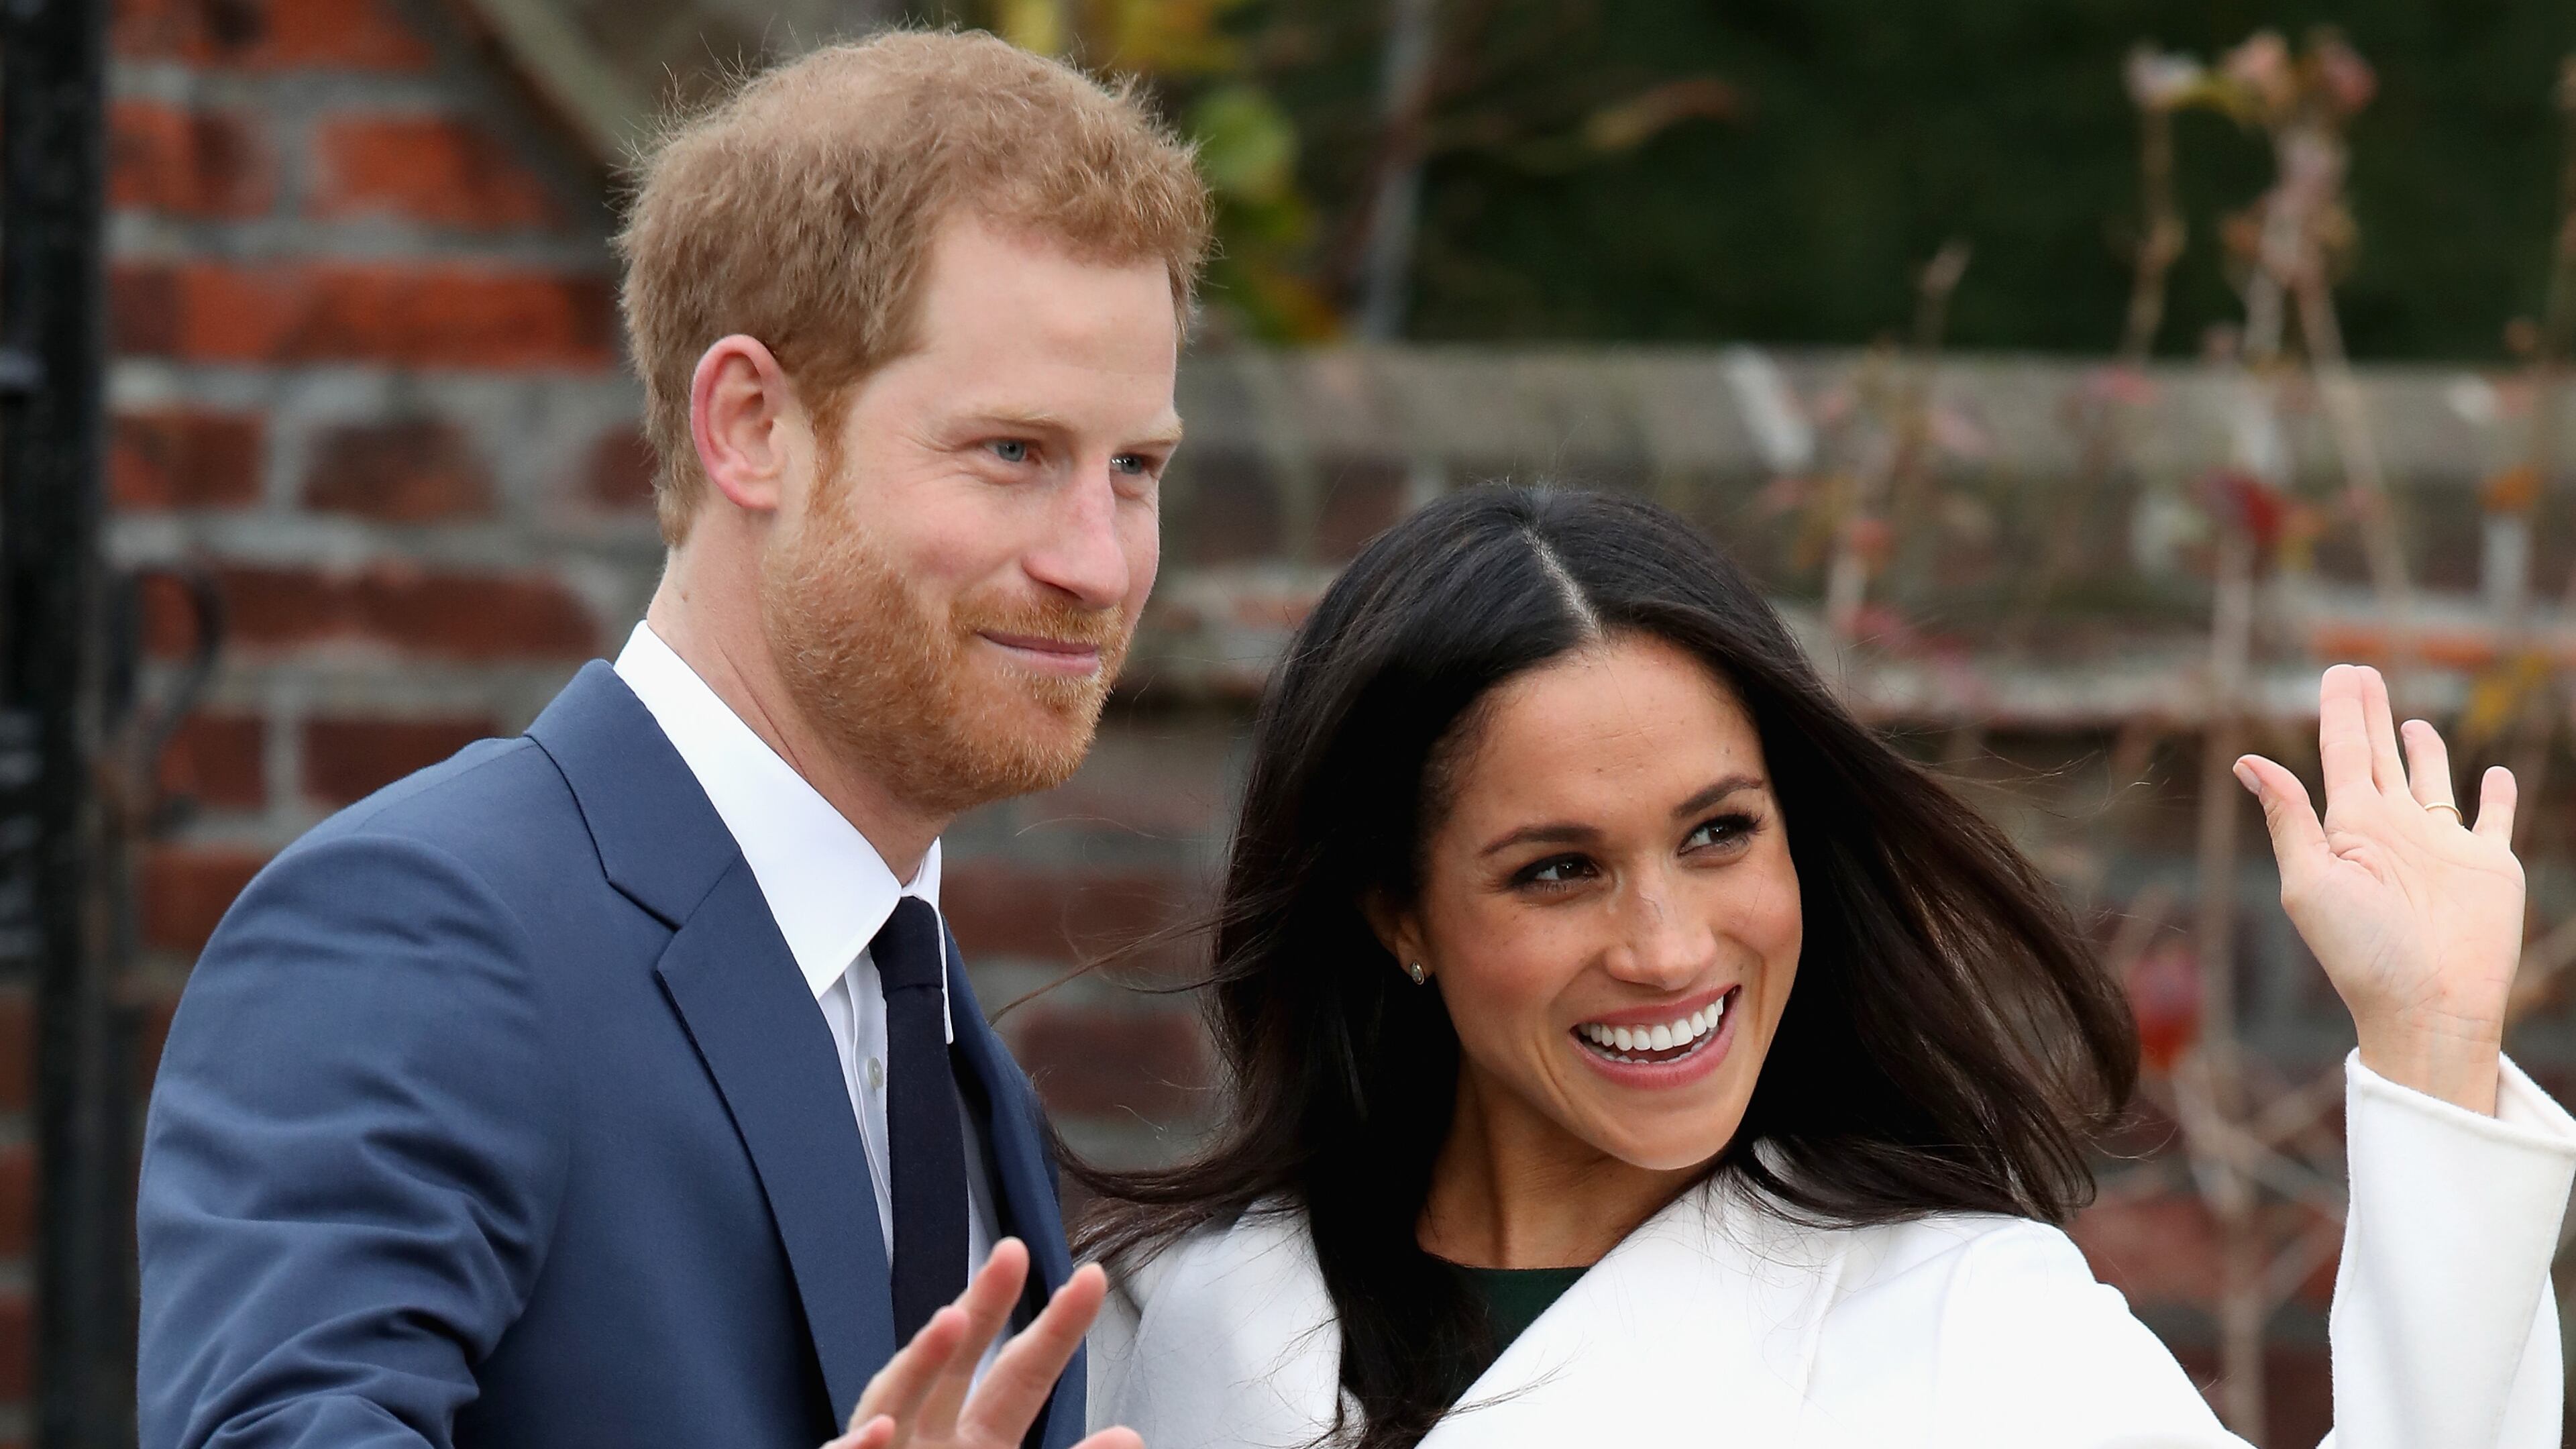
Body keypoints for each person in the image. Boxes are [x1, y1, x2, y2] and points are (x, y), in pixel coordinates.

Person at [136, 32, 1204, 1449]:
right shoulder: (420, 930)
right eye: (1013, 452)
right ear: (750, 425)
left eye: (1134, 468)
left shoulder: (932, 1025)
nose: (1098, 561)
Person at [1081, 487, 2575, 1448]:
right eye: (1558, 869)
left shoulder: (1964, 1329)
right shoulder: (1190, 1326)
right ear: (1395, 913)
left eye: (1720, 836)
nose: (1668, 947)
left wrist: (2433, 1043)